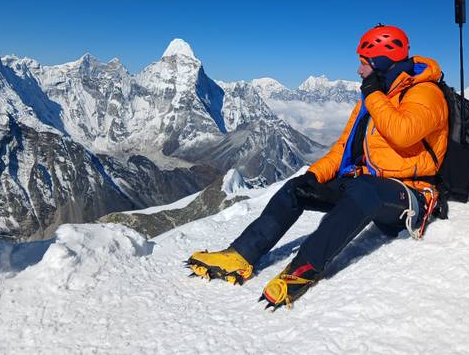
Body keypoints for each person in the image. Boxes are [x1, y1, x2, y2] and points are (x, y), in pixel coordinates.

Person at [187, 24, 449, 309]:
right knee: (297, 188)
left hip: (410, 197)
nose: (358, 71)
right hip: (370, 186)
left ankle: (302, 270)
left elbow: (402, 132)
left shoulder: (426, 93)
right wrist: (313, 177)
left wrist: (373, 95)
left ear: (381, 62)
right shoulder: (375, 97)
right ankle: (241, 254)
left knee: (364, 190)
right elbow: (344, 149)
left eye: (364, 64)